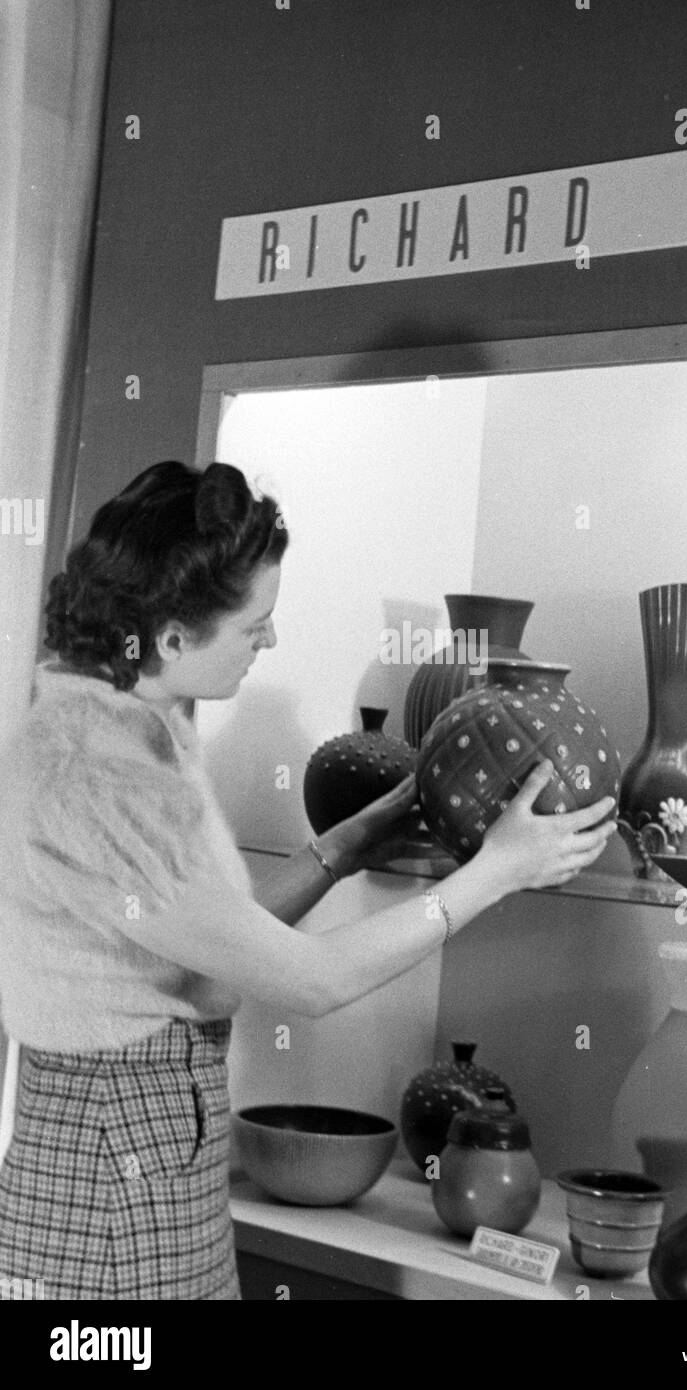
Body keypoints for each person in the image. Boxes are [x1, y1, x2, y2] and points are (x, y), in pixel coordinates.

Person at [0, 460, 617, 1300]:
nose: (270, 643)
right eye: (255, 626)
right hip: (115, 1165)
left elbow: (218, 946)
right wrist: (496, 873)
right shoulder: (100, 771)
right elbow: (309, 981)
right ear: (174, 637)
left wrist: (346, 846)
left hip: (137, 1149)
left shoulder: (121, 722)